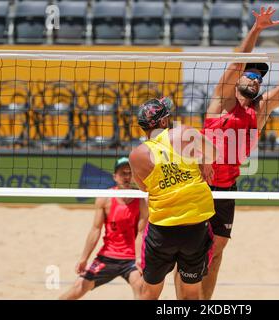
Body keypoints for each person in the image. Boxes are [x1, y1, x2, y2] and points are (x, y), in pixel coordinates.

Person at [201, 6, 279, 300]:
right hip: (200, 185)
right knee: (196, 254)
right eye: (251, 73)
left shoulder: (260, 110)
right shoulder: (221, 101)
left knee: (216, 253)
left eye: (260, 76)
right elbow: (236, 64)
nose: (256, 78)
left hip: (226, 188)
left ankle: (203, 302)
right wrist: (256, 30)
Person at [129, 97, 218, 300]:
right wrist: (202, 160)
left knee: (149, 293)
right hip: (195, 227)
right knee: (191, 294)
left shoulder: (136, 156)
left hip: (162, 231)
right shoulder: (185, 132)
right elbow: (214, 153)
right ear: (163, 122)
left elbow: (144, 188)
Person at [59, 157, 148, 300]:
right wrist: (84, 258)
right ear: (114, 177)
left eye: (129, 173)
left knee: (141, 288)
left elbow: (141, 232)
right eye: (122, 173)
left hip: (131, 259)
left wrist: (139, 258)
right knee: (79, 286)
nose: (126, 177)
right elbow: (95, 230)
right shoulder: (105, 198)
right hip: (107, 257)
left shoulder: (140, 199)